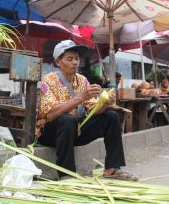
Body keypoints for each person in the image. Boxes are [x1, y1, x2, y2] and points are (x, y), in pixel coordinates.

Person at [36, 40, 137, 181]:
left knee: (111, 116)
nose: (75, 62)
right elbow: (51, 115)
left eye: (77, 58)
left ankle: (112, 168)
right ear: (58, 62)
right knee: (67, 119)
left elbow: (94, 110)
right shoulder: (48, 80)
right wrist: (80, 97)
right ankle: (67, 175)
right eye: (69, 59)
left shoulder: (82, 80)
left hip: (75, 130)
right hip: (51, 133)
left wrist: (105, 103)